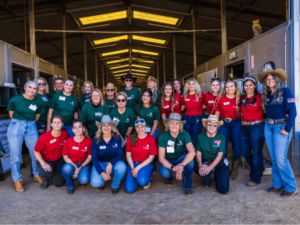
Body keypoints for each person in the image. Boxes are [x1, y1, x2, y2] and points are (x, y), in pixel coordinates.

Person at [258, 68, 298, 198]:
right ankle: (278, 184)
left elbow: (292, 111)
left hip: (281, 127)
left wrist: (287, 128)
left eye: (272, 78)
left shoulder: (286, 92)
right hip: (268, 127)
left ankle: (291, 187)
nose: (270, 80)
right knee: (274, 158)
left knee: (281, 158)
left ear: (277, 79)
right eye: (267, 79)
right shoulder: (267, 94)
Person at [7, 80, 45, 192]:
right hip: (16, 125)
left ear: (37, 91)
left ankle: (36, 174)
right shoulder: (15, 100)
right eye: (30, 87)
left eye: (34, 88)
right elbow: (11, 115)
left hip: (31, 125)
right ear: (25, 87)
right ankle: (17, 180)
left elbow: (37, 116)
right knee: (15, 155)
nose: (32, 90)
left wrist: (29, 122)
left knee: (35, 152)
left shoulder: (39, 101)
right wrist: (22, 122)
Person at [158, 113, 195, 197]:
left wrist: (182, 165)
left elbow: (192, 152)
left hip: (180, 158)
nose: (174, 126)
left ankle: (187, 186)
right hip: (168, 159)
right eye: (172, 123)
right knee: (165, 173)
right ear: (168, 124)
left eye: (177, 123)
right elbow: (161, 158)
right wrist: (173, 167)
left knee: (190, 162)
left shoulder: (185, 134)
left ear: (180, 125)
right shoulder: (163, 136)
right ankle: (169, 177)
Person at [90, 115, 126, 195]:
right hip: (101, 164)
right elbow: (94, 159)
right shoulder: (96, 140)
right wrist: (102, 173)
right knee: (96, 183)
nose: (106, 127)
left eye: (109, 125)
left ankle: (115, 184)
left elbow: (120, 155)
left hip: (114, 164)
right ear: (101, 127)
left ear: (112, 126)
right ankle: (102, 180)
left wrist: (110, 163)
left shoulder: (117, 138)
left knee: (122, 166)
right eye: (104, 125)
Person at [239, 76, 265, 187]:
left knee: (256, 153)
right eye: (246, 85)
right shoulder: (242, 98)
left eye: (250, 85)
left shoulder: (261, 97)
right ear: (243, 87)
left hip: (257, 127)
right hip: (243, 128)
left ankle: (255, 178)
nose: (248, 87)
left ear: (255, 85)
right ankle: (259, 168)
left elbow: (269, 109)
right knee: (245, 153)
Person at [215, 78, 242, 180]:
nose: (229, 88)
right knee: (223, 147)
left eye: (231, 86)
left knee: (236, 147)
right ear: (224, 88)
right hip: (223, 124)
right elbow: (217, 113)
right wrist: (217, 125)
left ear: (235, 87)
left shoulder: (239, 98)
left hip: (236, 123)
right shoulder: (220, 99)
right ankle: (225, 168)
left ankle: (234, 170)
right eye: (227, 87)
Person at [195, 115, 229, 194]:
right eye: (209, 124)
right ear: (206, 125)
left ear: (217, 127)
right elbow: (198, 153)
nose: (212, 126)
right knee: (203, 173)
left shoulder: (222, 137)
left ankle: (216, 173)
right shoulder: (200, 137)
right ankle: (207, 180)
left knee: (223, 190)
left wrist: (210, 168)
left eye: (215, 125)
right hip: (205, 162)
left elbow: (220, 155)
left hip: (220, 163)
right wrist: (200, 166)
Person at [34, 115, 69, 190]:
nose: (57, 124)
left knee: (59, 183)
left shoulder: (65, 134)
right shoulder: (44, 137)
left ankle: (55, 174)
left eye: (59, 122)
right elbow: (36, 152)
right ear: (51, 124)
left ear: (62, 124)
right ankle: (45, 179)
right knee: (45, 173)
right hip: (46, 159)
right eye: (54, 122)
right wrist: (43, 163)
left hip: (58, 159)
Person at [124, 119, 157, 193]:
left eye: (142, 127)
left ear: (146, 127)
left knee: (142, 182)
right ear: (135, 128)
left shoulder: (151, 139)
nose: (140, 129)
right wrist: (133, 169)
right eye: (138, 127)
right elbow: (128, 155)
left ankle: (147, 177)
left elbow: (151, 158)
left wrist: (137, 168)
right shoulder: (131, 138)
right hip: (133, 163)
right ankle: (138, 176)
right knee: (129, 190)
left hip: (146, 164)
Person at [61, 119, 92, 195]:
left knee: (84, 180)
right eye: (75, 127)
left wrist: (80, 167)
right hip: (71, 163)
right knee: (66, 169)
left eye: (79, 127)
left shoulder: (89, 141)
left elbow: (89, 157)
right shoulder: (67, 141)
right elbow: (65, 157)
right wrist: (75, 167)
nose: (77, 129)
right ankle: (70, 185)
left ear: (84, 128)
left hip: (84, 164)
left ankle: (80, 177)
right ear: (72, 130)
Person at [181, 78, 204, 145]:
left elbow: (205, 105)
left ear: (196, 85)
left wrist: (198, 110)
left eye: (193, 84)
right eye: (189, 84)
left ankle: (194, 154)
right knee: (188, 138)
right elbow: (182, 108)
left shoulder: (201, 94)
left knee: (195, 139)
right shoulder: (185, 96)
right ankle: (189, 154)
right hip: (187, 119)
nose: (191, 86)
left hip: (197, 118)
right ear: (187, 86)